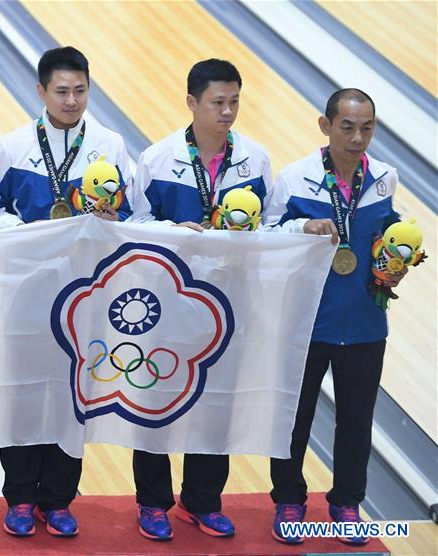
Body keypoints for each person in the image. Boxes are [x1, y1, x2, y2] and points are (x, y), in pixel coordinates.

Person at [0, 46, 145, 538]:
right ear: (41, 92)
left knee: (76, 397)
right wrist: (31, 230)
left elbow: (136, 211)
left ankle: (58, 499)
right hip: (27, 294)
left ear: (89, 89)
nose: (71, 101)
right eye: (61, 92)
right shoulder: (13, 146)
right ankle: (20, 497)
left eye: (79, 91)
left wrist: (117, 220)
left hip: (88, 297)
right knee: (26, 397)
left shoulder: (111, 146)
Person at [129, 59, 272, 540]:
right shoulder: (157, 159)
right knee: (153, 400)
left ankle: (202, 500)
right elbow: (133, 226)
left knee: (216, 403)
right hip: (166, 305)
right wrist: (174, 232)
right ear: (192, 103)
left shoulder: (255, 160)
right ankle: (151, 502)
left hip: (230, 303)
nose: (228, 111)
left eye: (234, 101)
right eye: (217, 102)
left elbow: (271, 228)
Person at [266, 88, 404, 546]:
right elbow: (266, 231)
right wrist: (301, 227)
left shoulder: (384, 177)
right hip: (306, 322)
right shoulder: (296, 177)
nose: (358, 137)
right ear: (325, 126)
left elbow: (388, 236)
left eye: (367, 127)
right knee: (294, 417)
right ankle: (288, 499)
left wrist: (395, 261)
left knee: (357, 420)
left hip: (365, 323)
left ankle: (346, 502)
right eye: (347, 127)